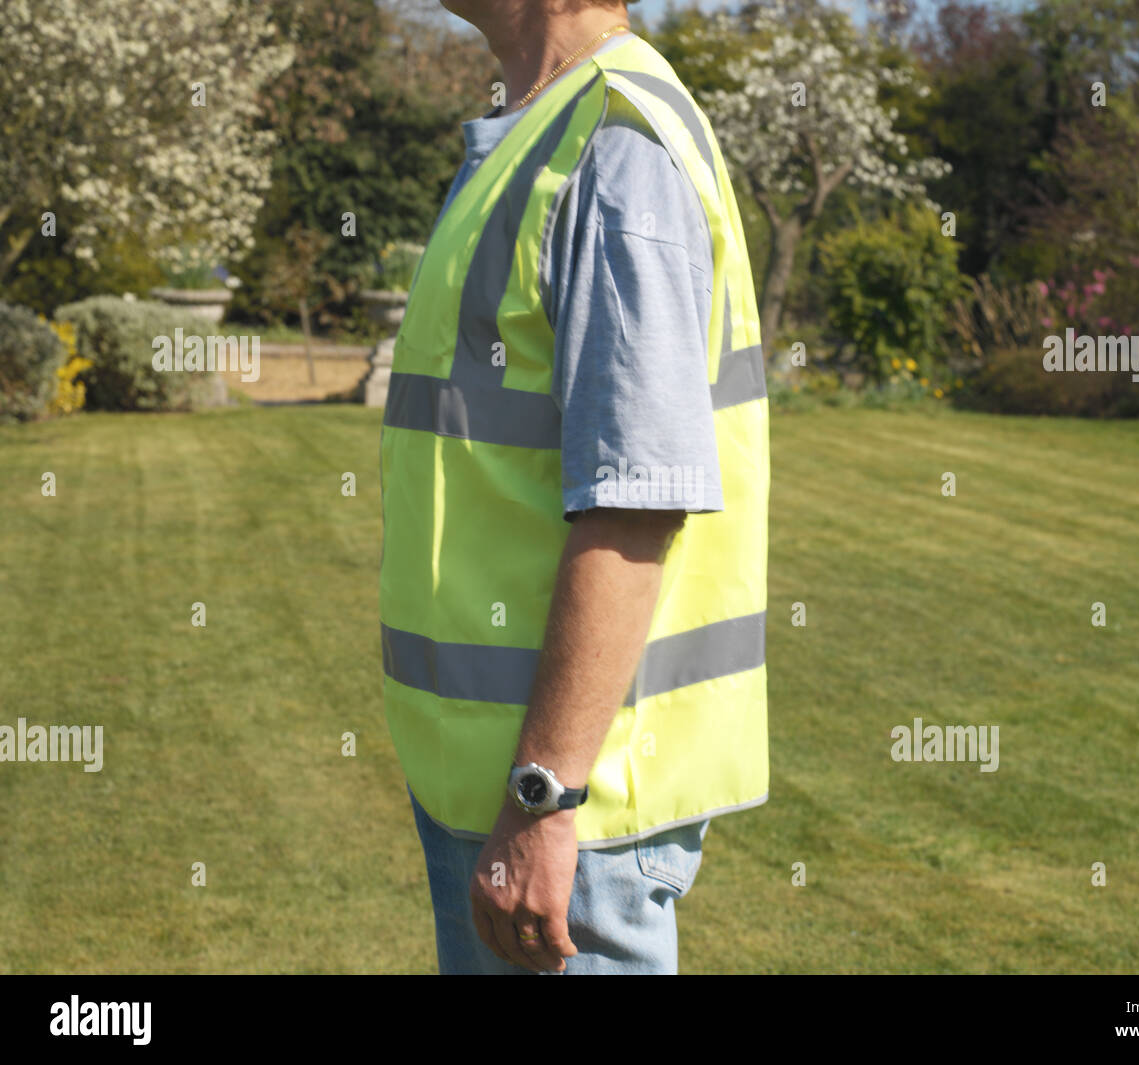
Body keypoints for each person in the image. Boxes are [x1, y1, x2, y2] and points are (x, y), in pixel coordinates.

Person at [380, 0, 769, 974]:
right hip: (493, 785)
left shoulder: (613, 150)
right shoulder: (540, 134)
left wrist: (542, 799)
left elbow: (636, 500)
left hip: (567, 814)